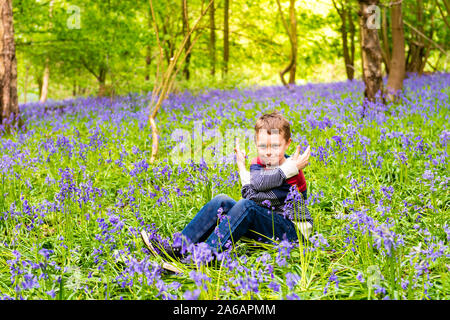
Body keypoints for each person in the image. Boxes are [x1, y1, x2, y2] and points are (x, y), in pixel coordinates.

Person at [141, 111, 312, 262]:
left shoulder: (292, 169)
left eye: (275, 146)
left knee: (248, 206)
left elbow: (253, 194)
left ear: (287, 144)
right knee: (222, 200)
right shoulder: (259, 163)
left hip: (293, 233)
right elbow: (254, 189)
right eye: (262, 146)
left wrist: (288, 169)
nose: (268, 152)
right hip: (267, 224)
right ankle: (178, 248)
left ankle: (204, 257)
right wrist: (242, 168)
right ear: (256, 144)